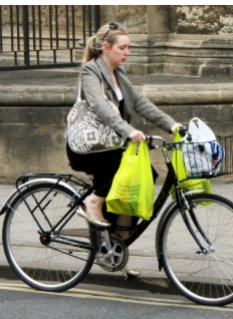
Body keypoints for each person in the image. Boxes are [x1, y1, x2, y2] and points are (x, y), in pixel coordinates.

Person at [66, 22, 182, 229]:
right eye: (122, 47)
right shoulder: (91, 72)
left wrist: (171, 125)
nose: (127, 52)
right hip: (89, 147)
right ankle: (93, 202)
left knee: (146, 174)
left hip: (110, 144)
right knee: (123, 169)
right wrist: (129, 131)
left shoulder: (119, 72)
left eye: (129, 47)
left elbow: (139, 103)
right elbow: (101, 107)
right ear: (106, 47)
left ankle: (120, 234)